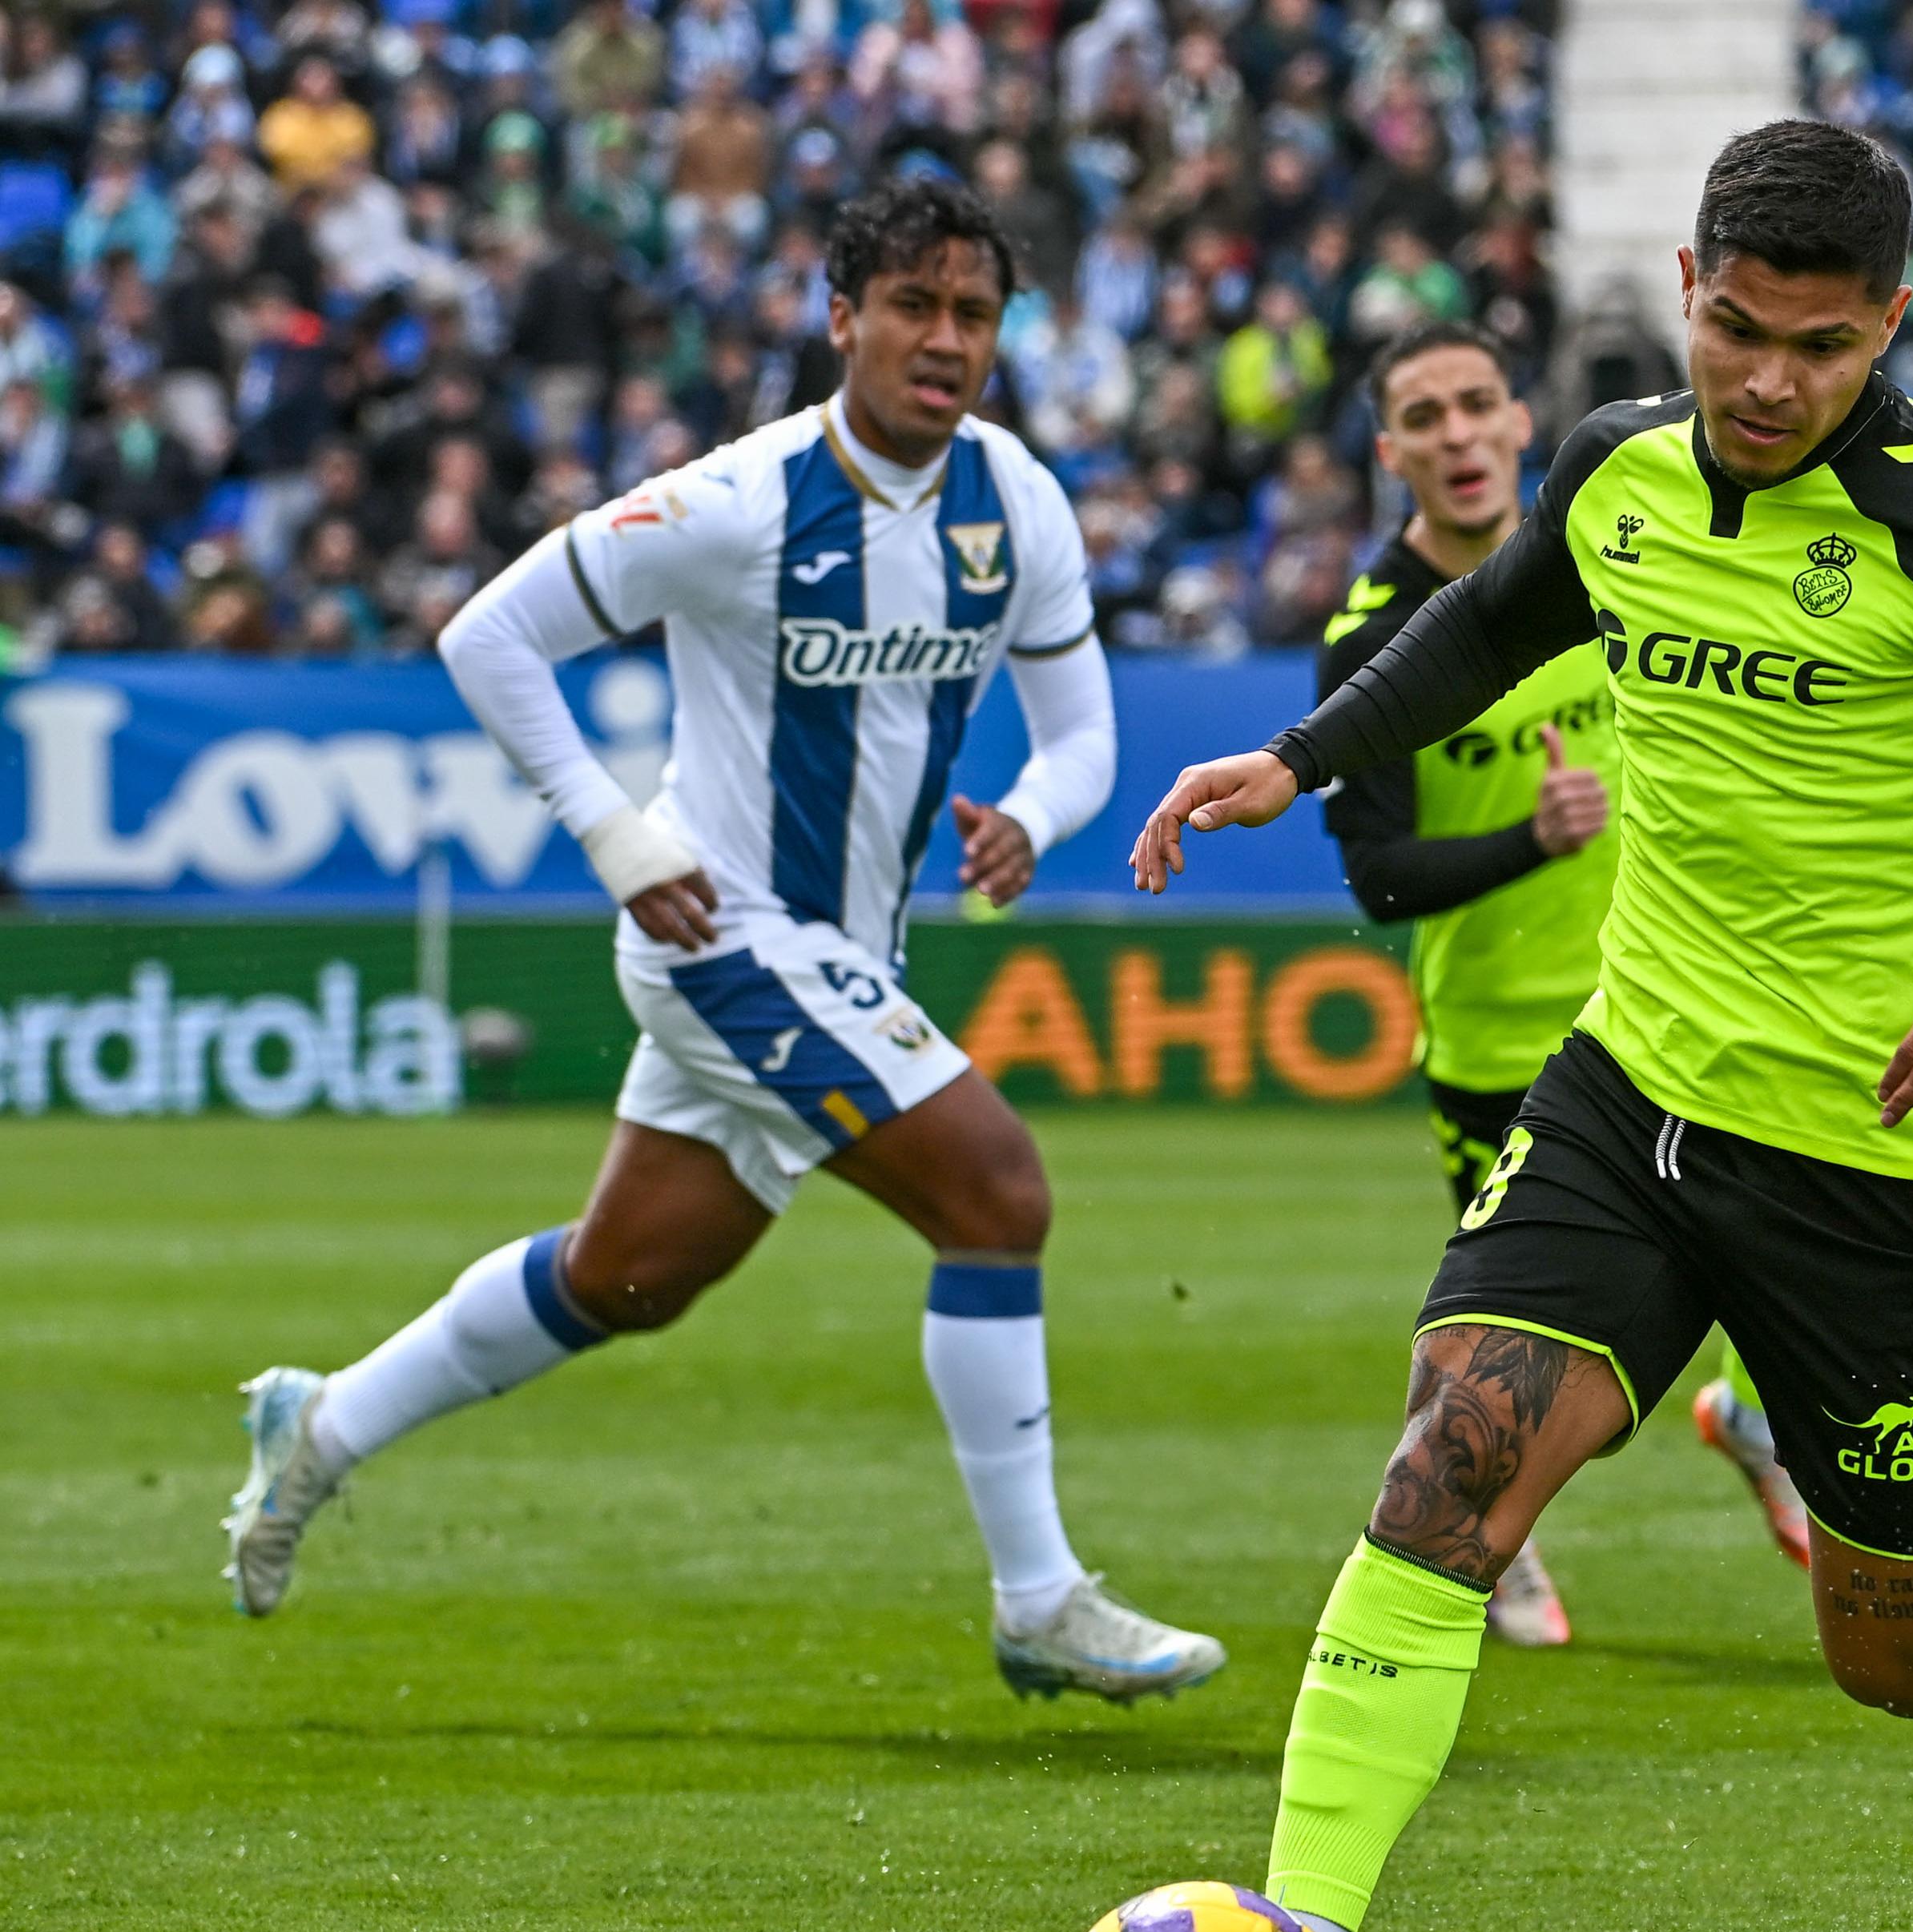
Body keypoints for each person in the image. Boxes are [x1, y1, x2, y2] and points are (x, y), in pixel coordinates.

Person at [1131, 119, 1913, 1932]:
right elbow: (1492, 617)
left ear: (1888, 324)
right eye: (1740, 332)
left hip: (1876, 1152)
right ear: (1693, 289)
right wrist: (1301, 758)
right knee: (1444, 1472)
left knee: (1908, 1667)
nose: (1773, 381)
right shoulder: (1618, 470)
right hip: (1625, 1090)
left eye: (1824, 346)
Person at [221, 179, 1222, 1706]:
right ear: (843, 319)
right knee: (996, 1192)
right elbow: (486, 634)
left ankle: (325, 1423)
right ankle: (1041, 1598)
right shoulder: (737, 503)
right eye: (913, 307)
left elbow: (1081, 732)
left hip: (848, 954)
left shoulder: (1012, 496)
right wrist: (615, 834)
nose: (944, 341)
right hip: (723, 935)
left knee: (629, 1277)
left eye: (973, 314)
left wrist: (1034, 810)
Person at [1315, 318, 1813, 1648]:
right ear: (1390, 454)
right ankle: (1495, 1536)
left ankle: (1758, 1420)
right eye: (1424, 418)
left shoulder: (1616, 558)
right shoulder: (1374, 631)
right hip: (1499, 1049)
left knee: (1780, 1244)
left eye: (1477, 404)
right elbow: (1377, 876)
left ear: (1519, 422)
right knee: (1536, 1349)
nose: (1459, 435)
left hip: (1679, 1007)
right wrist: (1523, 839)